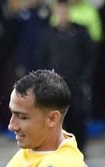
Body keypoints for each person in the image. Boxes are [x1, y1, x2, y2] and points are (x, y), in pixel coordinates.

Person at [37, 0, 94, 157]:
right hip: (55, 85)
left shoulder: (80, 32)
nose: (62, 15)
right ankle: (58, 149)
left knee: (77, 116)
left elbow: (90, 57)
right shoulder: (48, 34)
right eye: (59, 12)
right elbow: (41, 59)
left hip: (77, 83)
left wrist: (85, 77)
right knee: (57, 117)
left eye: (65, 11)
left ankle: (79, 150)